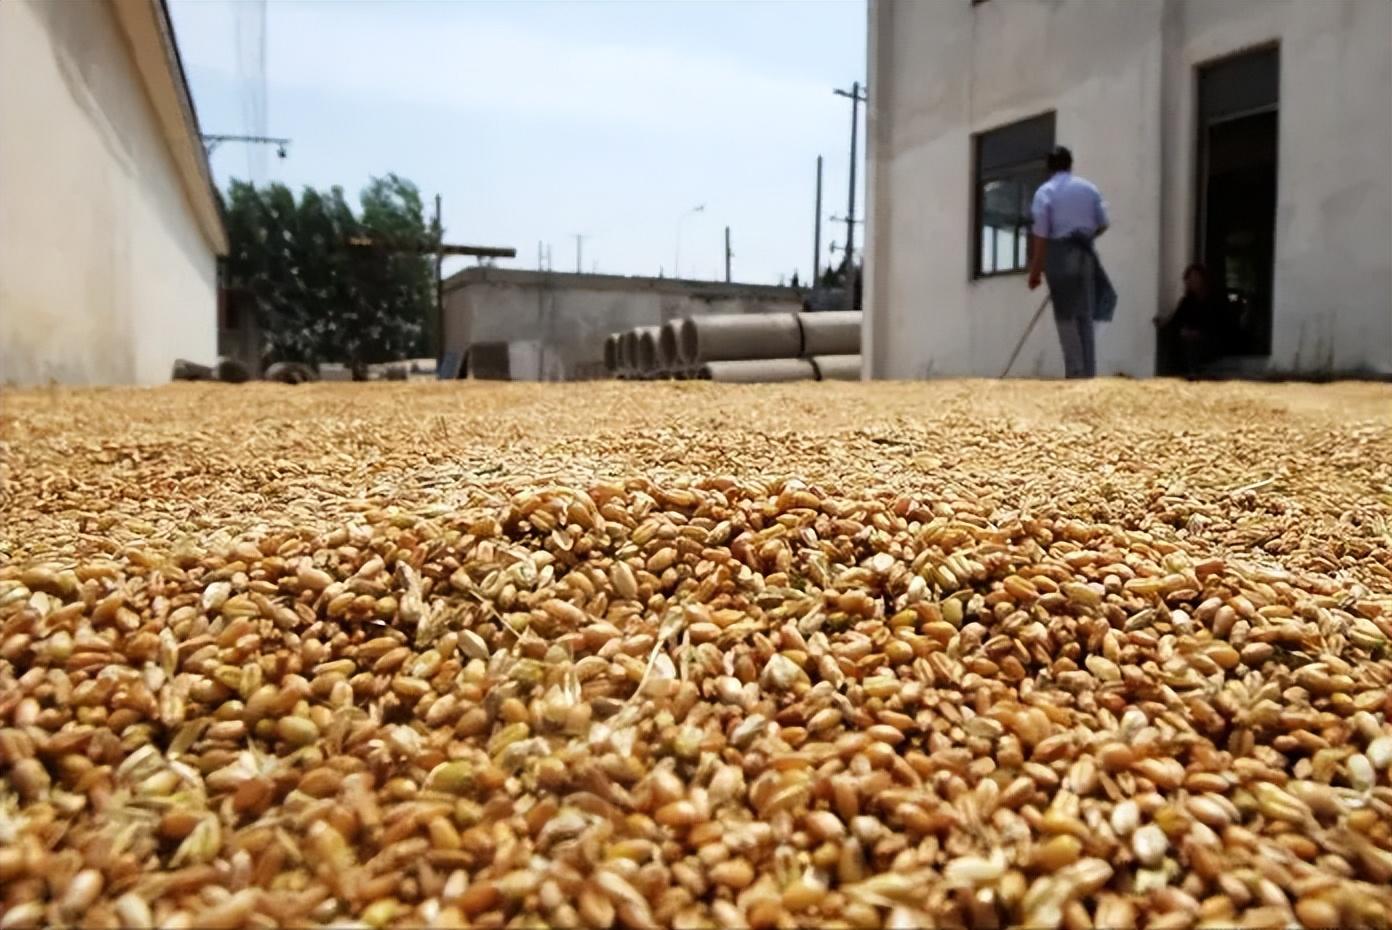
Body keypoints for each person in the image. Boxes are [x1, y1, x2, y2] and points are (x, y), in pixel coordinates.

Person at [1027, 146, 1117, 379]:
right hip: (1085, 252)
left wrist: (1036, 271)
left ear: (1049, 167)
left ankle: (1075, 373)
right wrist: (1085, 237)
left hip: (1059, 254)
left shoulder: (1045, 192)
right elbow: (1103, 222)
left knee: (1066, 315)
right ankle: (1088, 373)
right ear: (1070, 164)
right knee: (1084, 314)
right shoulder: (1088, 189)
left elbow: (1041, 235)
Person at [1158, 263, 1217, 379]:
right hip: (1186, 339)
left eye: (1195, 278)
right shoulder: (1186, 301)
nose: (1192, 282)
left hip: (1206, 340)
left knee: (1191, 342)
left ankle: (1193, 372)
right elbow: (1175, 321)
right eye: (1189, 278)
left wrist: (1195, 333)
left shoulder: (1212, 301)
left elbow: (1214, 325)